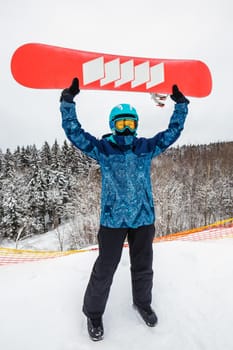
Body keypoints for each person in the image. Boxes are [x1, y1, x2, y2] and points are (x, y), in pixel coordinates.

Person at [60, 78, 189, 341]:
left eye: (130, 122)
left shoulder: (145, 147)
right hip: (113, 220)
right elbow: (75, 134)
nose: (126, 127)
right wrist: (68, 102)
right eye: (121, 123)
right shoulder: (104, 149)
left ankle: (142, 303)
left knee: (143, 265)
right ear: (113, 125)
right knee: (105, 267)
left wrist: (181, 105)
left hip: (143, 217)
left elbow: (171, 133)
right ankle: (93, 313)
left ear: (136, 125)